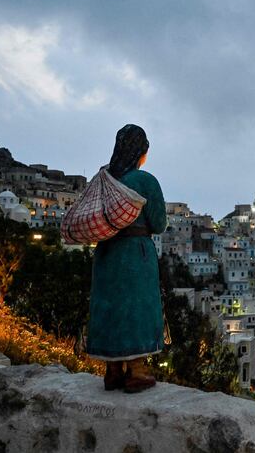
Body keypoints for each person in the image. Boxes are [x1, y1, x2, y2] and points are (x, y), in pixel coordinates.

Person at [86, 124, 167, 393]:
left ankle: (112, 371)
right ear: (141, 152)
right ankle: (137, 371)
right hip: (135, 253)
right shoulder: (144, 181)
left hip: (106, 252)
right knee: (138, 306)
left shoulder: (104, 178)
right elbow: (159, 223)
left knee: (108, 305)